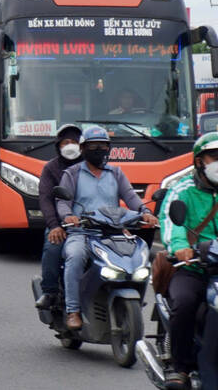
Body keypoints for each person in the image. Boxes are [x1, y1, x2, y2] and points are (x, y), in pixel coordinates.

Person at [56, 126, 158, 330]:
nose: (98, 150)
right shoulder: (72, 173)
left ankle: (134, 299)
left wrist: (145, 211)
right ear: (82, 149)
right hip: (82, 232)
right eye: (93, 146)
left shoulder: (116, 173)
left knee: (140, 257)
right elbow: (62, 202)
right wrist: (68, 216)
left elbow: (131, 197)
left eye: (103, 146)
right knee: (75, 256)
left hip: (113, 232)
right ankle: (73, 310)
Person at [158, 132, 218, 390]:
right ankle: (180, 366)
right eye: (214, 157)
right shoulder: (182, 189)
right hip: (194, 267)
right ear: (199, 161)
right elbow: (171, 225)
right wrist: (181, 247)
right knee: (184, 303)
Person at [34, 124, 82, 309]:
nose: (70, 146)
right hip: (62, 223)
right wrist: (54, 225)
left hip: (92, 224)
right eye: (65, 142)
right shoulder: (51, 168)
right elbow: (46, 199)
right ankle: (50, 292)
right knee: (53, 247)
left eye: (74, 142)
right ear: (58, 145)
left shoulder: (91, 167)